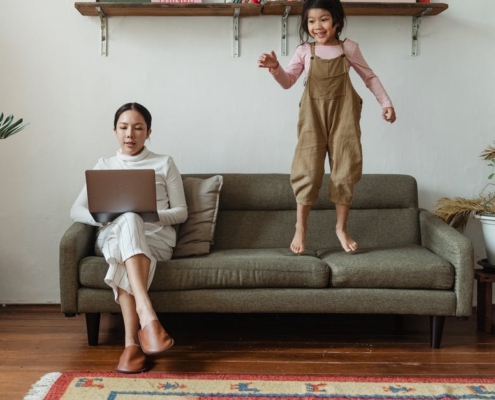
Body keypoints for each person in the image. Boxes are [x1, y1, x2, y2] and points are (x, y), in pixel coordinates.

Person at [258, 0, 396, 254]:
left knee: (344, 171)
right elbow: (288, 82)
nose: (317, 26)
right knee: (307, 172)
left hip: (344, 117)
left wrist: (385, 103)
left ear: (336, 22)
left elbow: (369, 77)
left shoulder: (349, 48)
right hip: (312, 118)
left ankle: (341, 228)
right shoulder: (304, 51)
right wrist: (275, 68)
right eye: (311, 21)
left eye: (323, 19)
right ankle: (300, 228)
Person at [70, 102, 188, 373]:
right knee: (127, 220)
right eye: (123, 128)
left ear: (148, 132)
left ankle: (131, 345)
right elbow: (75, 210)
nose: (130, 134)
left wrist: (149, 214)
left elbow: (181, 212)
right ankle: (147, 315)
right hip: (112, 235)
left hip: (155, 239)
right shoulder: (104, 165)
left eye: (138, 128)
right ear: (114, 131)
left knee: (132, 221)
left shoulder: (164, 163)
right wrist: (105, 217)